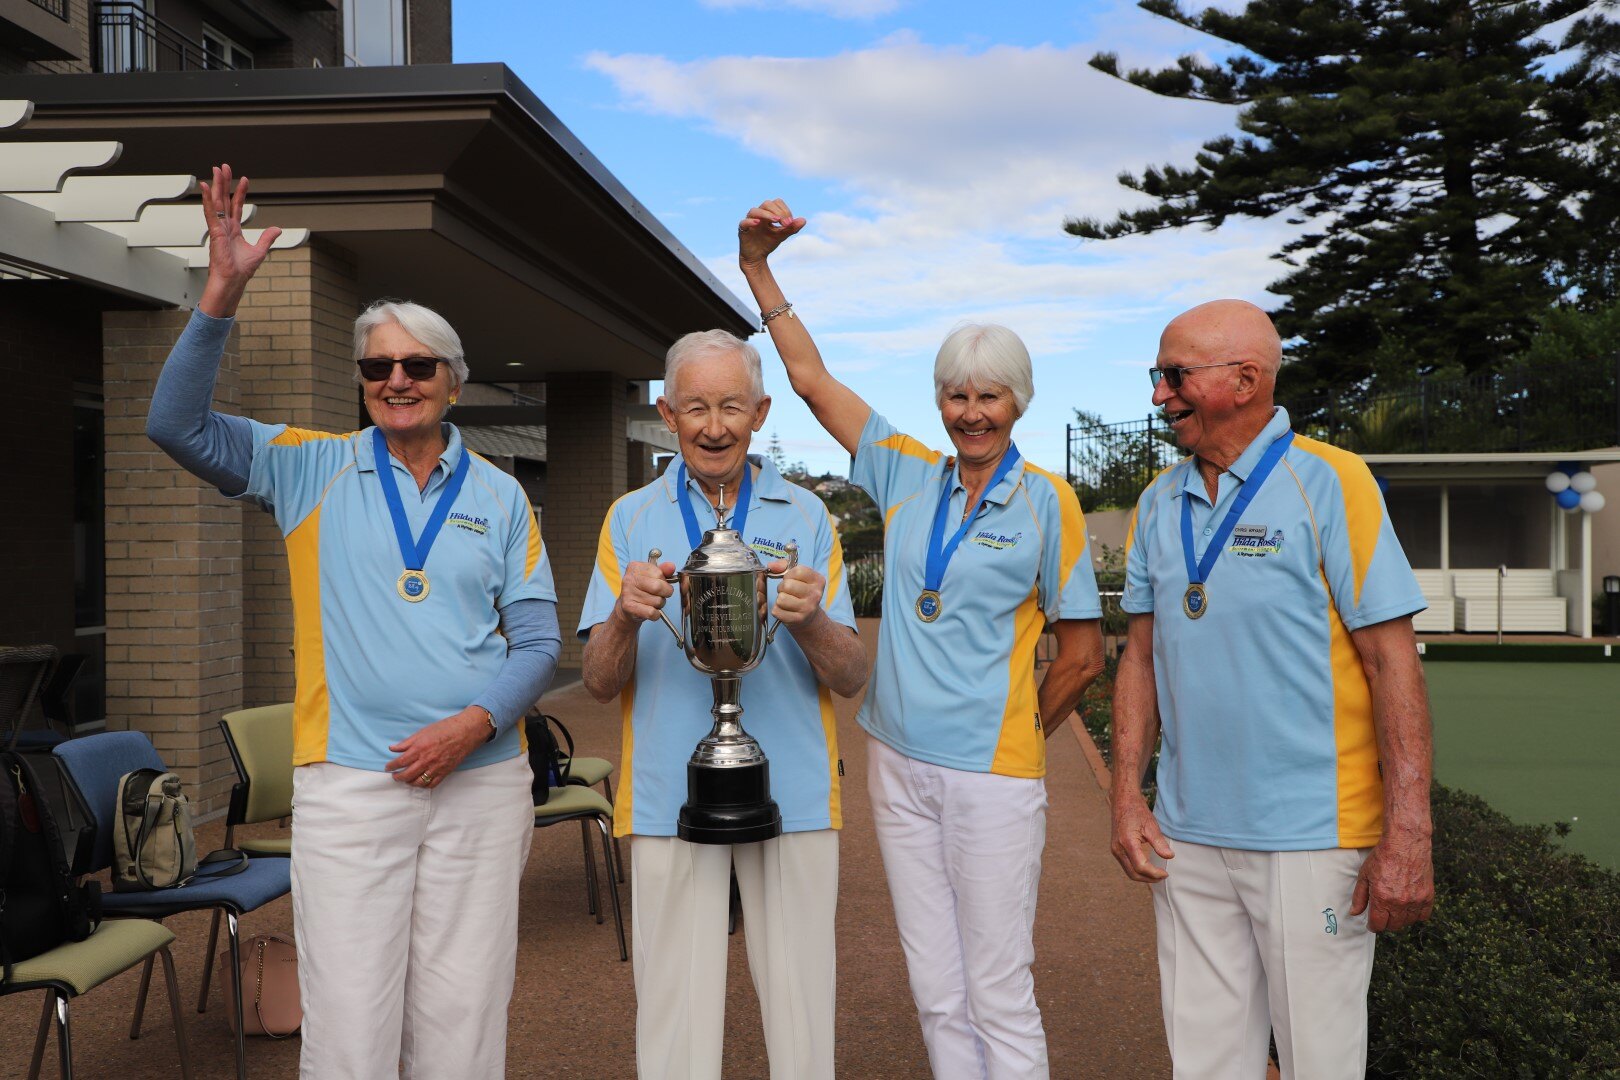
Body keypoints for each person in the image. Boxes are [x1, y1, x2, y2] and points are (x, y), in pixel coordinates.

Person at [146, 166, 559, 1080]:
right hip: (351, 783)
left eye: (418, 366)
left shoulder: (502, 495)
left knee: (464, 1011)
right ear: (363, 382)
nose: (397, 380)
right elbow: (174, 425)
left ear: (454, 382)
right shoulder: (308, 465)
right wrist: (220, 294)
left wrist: (472, 726)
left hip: (482, 782)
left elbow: (537, 642)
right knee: (350, 1018)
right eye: (378, 367)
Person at [737, 200, 1106, 1080]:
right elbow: (811, 381)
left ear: (1018, 401)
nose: (972, 413)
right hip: (897, 763)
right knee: (936, 987)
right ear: (940, 400)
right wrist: (758, 269)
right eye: (957, 395)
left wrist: (1018, 731)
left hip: (991, 776)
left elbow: (1084, 653)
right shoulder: (904, 469)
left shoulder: (1047, 501)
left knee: (997, 986)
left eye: (989, 396)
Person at [1109, 300, 1435, 1079]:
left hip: (1313, 837)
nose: (1159, 394)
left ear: (1247, 380)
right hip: (1186, 835)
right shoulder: (1157, 501)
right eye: (1158, 375)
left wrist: (1410, 831)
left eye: (1174, 375)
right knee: (1205, 1064)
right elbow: (1139, 657)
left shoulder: (1333, 481)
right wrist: (1126, 797)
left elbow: (1392, 663)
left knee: (1320, 1063)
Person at [578, 328, 868, 1080]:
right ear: (667, 414)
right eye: (696, 407)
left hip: (795, 793)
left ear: (761, 412)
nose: (714, 427)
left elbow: (850, 674)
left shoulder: (807, 516)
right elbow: (599, 682)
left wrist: (810, 621)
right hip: (666, 797)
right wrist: (622, 617)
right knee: (672, 1021)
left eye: (732, 406)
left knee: (803, 1017)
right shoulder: (628, 518)